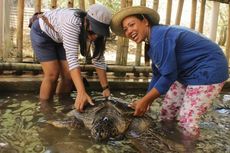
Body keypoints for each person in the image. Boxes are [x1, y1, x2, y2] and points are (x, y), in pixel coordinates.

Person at [111, 6, 229, 138]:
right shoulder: (152, 41)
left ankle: (187, 147)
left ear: (145, 21)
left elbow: (169, 76)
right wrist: (146, 100)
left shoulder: (160, 37)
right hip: (186, 72)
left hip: (209, 70)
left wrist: (145, 101)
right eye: (125, 29)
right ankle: (168, 140)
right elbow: (158, 74)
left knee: (187, 122)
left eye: (132, 24)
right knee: (167, 112)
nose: (129, 31)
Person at [30, 4, 112, 112]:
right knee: (52, 74)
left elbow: (98, 59)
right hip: (43, 33)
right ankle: (45, 110)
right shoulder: (73, 22)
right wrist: (81, 92)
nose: (95, 37)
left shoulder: (95, 33)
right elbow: (72, 59)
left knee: (68, 76)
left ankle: (62, 105)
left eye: (99, 32)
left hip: (61, 37)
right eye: (92, 32)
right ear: (86, 20)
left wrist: (105, 88)